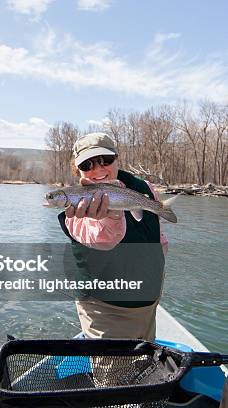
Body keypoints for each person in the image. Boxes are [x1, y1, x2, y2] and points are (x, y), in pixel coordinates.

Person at [56, 132, 168, 342]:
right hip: (105, 312)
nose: (97, 169)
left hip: (148, 304)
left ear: (117, 158)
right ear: (77, 170)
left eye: (105, 161)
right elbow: (104, 240)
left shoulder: (145, 189)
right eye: (87, 165)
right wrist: (112, 216)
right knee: (114, 375)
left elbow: (157, 237)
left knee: (146, 365)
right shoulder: (75, 208)